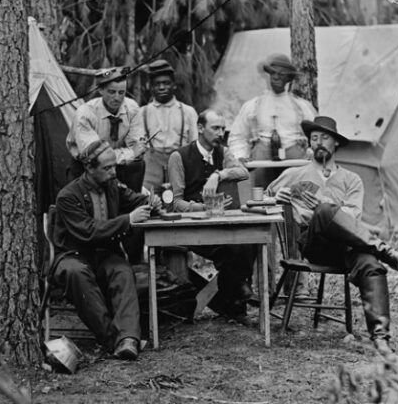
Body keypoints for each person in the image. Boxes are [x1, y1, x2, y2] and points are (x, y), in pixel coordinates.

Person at [265, 116, 398, 355]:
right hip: (314, 244)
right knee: (323, 212)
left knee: (370, 264)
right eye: (314, 138)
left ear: (336, 144)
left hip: (346, 246)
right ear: (309, 145)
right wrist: (274, 198)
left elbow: (353, 220)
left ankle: (381, 338)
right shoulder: (295, 173)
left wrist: (326, 202)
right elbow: (260, 198)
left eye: (325, 138)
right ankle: (385, 250)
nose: (319, 143)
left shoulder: (352, 180)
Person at [51, 140, 153, 360]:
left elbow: (137, 200)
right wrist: (128, 220)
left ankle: (128, 339)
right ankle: (113, 339)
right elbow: (88, 231)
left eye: (114, 166)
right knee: (76, 273)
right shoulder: (68, 196)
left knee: (122, 270)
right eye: (107, 168)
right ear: (89, 168)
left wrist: (156, 203)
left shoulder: (112, 187)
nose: (113, 172)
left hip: (104, 255)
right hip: (73, 255)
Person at [166, 109, 256, 326]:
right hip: (192, 228)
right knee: (233, 249)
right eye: (215, 128)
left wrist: (218, 174)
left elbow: (243, 172)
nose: (220, 132)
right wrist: (202, 208)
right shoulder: (179, 157)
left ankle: (234, 296)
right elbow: (175, 203)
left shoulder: (222, 153)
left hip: (218, 224)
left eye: (223, 128)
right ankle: (236, 297)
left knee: (248, 241)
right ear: (199, 128)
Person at [227, 54, 317, 184]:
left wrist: (311, 153)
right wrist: (240, 156)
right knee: (262, 200)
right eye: (273, 73)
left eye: (282, 74)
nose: (276, 77)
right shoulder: (253, 106)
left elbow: (317, 136)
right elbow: (237, 136)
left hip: (295, 165)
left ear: (289, 78)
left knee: (295, 198)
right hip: (262, 164)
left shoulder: (302, 107)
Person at [66, 67, 146, 192]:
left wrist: (134, 152)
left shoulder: (132, 108)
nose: (117, 98)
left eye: (121, 93)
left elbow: (138, 148)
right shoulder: (85, 114)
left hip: (119, 166)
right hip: (87, 167)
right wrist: (130, 153)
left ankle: (132, 206)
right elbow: (96, 156)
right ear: (100, 90)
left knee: (137, 165)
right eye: (111, 92)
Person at [131, 59, 199, 192]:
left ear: (174, 85)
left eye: (166, 83)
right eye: (157, 84)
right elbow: (136, 145)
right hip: (151, 169)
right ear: (151, 87)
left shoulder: (188, 112)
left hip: (180, 165)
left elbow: (195, 146)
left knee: (180, 202)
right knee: (149, 202)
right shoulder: (142, 113)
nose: (162, 87)